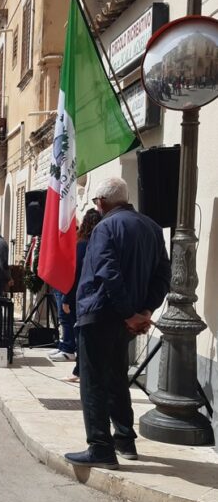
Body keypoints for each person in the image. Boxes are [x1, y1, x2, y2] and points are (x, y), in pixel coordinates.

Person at [65, 178, 170, 469]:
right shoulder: (151, 227)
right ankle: (125, 440)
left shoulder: (104, 228)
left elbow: (107, 273)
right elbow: (163, 275)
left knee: (94, 382)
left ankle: (100, 447)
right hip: (128, 319)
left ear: (101, 202)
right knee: (116, 379)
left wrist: (129, 313)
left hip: (100, 315)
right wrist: (144, 311)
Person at [61, 209, 102, 382]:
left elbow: (75, 273)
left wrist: (66, 298)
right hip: (99, 296)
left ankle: (80, 370)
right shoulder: (102, 242)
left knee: (80, 335)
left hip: (81, 296)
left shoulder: (82, 244)